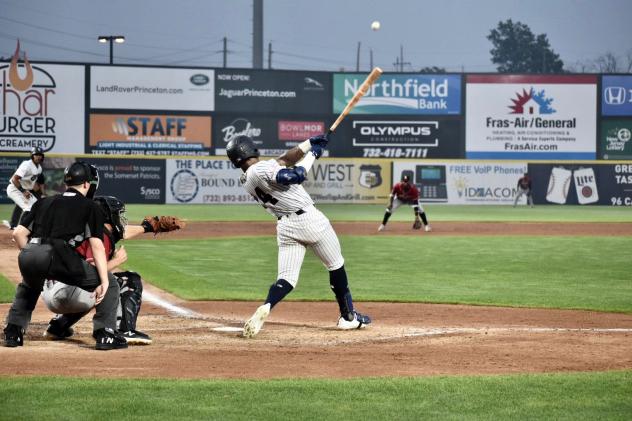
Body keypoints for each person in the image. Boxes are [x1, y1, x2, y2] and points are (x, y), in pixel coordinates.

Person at [226, 134, 371, 338]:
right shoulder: (261, 168)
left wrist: (308, 144)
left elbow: (284, 160)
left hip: (285, 227)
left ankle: (267, 305)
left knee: (286, 278)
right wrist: (312, 155)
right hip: (310, 220)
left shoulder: (248, 179)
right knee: (336, 264)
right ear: (251, 149)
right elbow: (294, 176)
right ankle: (348, 317)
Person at [3, 162, 127, 350]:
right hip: (59, 256)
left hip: (30, 251)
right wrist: (104, 280)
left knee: (29, 285)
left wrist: (33, 256)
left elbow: (18, 234)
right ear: (86, 184)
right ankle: (106, 334)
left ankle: (13, 332)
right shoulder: (89, 206)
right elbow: (96, 245)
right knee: (110, 284)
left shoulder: (43, 202)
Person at [41, 196, 182, 345]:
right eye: (118, 214)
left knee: (92, 286)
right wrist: (116, 261)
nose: (120, 218)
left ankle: (58, 326)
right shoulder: (100, 235)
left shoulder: (83, 228)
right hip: (68, 294)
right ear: (108, 216)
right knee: (126, 280)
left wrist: (147, 227)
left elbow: (122, 232)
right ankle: (124, 330)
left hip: (52, 292)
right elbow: (90, 271)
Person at [3, 147, 45, 230]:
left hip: (25, 190)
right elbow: (15, 179)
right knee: (28, 208)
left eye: (40, 155)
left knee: (35, 205)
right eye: (36, 155)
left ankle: (26, 228)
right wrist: (23, 191)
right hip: (14, 189)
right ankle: (20, 231)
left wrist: (41, 193)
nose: (38, 157)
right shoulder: (27, 164)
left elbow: (34, 183)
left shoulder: (39, 168)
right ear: (32, 156)